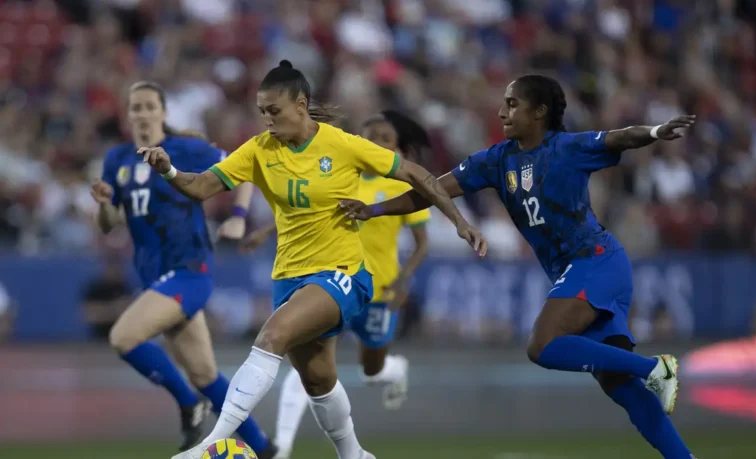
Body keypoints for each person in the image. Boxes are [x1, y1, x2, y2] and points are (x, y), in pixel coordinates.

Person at [138, 60, 485, 459]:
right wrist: (168, 171)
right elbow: (200, 187)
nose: (267, 120)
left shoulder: (342, 145)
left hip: (343, 274)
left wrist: (459, 221)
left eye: (274, 111)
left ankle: (209, 444)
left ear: (301, 104)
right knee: (318, 381)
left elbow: (416, 174)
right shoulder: (259, 150)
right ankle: (355, 454)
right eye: (262, 112)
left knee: (271, 338)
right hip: (289, 277)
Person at [340, 75, 697, 459]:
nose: (501, 111)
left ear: (539, 112)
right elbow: (431, 190)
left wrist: (657, 131)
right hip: (582, 269)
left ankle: (655, 368)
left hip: (596, 262)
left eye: (512, 104)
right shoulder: (496, 160)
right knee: (620, 385)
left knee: (542, 345)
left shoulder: (567, 148)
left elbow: (620, 137)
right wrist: (374, 210)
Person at [91, 81, 276, 457]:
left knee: (123, 337)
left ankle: (188, 405)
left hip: (189, 269)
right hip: (154, 276)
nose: (142, 113)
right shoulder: (117, 161)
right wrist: (105, 204)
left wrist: (238, 217)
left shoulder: (186, 149)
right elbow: (110, 223)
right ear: (128, 115)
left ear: (163, 112)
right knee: (206, 375)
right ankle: (266, 450)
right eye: (135, 107)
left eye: (148, 106)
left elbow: (244, 168)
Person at [239, 110, 432, 458]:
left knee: (371, 370)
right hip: (331, 280)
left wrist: (404, 281)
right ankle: (282, 446)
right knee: (308, 366)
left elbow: (422, 243)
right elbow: (305, 208)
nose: (375, 143)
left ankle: (394, 369)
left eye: (385, 139)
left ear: (396, 148)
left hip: (378, 293)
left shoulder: (400, 185)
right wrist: (266, 231)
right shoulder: (343, 171)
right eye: (369, 135)